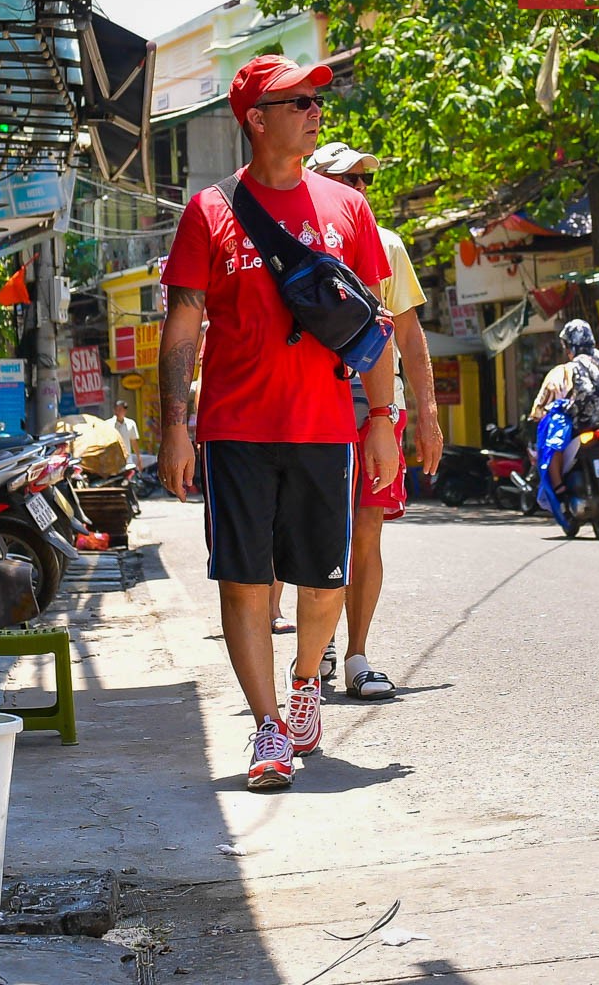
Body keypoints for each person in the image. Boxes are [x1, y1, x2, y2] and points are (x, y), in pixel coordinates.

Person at [156, 55, 399, 791]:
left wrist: (384, 417)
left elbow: (372, 324)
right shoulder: (210, 210)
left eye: (313, 100)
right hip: (235, 427)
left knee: (324, 585)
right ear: (256, 120)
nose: (313, 110)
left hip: (326, 426)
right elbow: (182, 325)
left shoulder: (349, 210)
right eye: (294, 101)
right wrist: (175, 423)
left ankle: (304, 686)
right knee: (244, 583)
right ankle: (267, 727)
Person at [303, 141, 443, 700]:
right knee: (316, 532)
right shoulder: (300, 244)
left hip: (379, 408)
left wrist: (428, 415)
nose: (359, 190)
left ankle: (357, 653)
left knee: (366, 531)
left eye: (365, 181)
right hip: (314, 401)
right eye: (346, 180)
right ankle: (319, 647)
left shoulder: (387, 244)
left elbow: (408, 335)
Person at [528, 318, 599, 491]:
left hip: (586, 421)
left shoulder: (577, 363)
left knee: (554, 442)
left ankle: (558, 486)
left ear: (572, 344)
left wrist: (570, 408)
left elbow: (585, 392)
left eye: (566, 345)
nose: (566, 351)